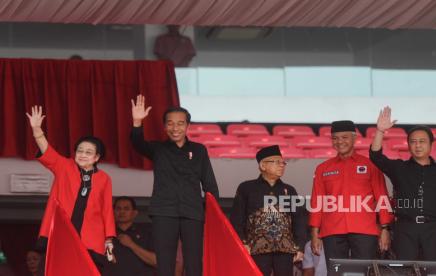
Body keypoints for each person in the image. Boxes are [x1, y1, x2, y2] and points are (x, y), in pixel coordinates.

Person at [130, 95, 219, 276]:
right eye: (170, 123)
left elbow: (209, 183)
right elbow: (137, 144)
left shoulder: (199, 150)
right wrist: (137, 122)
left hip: (193, 212)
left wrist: (213, 213)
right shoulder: (157, 149)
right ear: (164, 126)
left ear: (187, 126)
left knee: (194, 263)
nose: (175, 128)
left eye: (180, 123)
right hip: (163, 211)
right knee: (165, 262)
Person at [26, 106, 115, 271]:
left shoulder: (104, 178)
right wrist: (37, 129)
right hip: (62, 232)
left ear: (97, 157)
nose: (82, 154)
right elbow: (47, 151)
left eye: (88, 152)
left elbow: (107, 210)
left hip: (91, 237)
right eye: (80, 150)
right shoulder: (64, 167)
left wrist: (108, 239)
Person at [370, 106, 436, 260]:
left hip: (433, 229)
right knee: (405, 271)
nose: (417, 145)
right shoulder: (399, 168)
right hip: (405, 229)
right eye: (413, 142)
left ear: (431, 144)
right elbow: (376, 156)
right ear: (408, 145)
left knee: (434, 271)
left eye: (422, 141)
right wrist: (380, 131)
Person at [309, 120, 393, 269]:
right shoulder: (322, 168)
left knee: (364, 272)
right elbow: (317, 202)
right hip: (332, 231)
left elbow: (382, 197)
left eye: (344, 137)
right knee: (335, 273)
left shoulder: (371, 165)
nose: (339, 142)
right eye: (335, 138)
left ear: (354, 138)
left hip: (365, 230)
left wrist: (385, 229)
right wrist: (315, 233)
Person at [230, 145, 306, 276]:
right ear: (263, 166)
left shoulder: (290, 190)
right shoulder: (246, 188)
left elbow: (299, 220)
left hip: (285, 250)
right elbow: (237, 219)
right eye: (276, 162)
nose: (282, 165)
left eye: (283, 162)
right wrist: (243, 243)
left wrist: (300, 247)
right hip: (256, 249)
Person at [103, 196, 156, 276]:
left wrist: (131, 244)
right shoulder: (106, 233)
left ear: (135, 213)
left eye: (126, 209)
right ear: (113, 212)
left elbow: (155, 261)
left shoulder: (147, 232)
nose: (122, 212)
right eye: (118, 209)